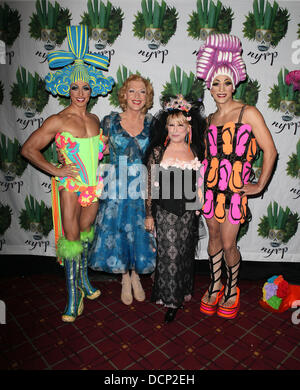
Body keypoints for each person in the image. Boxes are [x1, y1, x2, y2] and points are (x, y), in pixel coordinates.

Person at [21, 25, 114, 322]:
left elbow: (96, 153)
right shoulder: (57, 119)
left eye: (86, 87)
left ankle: (84, 281)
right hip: (70, 186)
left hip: (93, 186)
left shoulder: (96, 120)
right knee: (72, 238)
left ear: (93, 89)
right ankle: (73, 298)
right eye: (75, 87)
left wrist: (105, 149)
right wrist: (57, 169)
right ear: (66, 88)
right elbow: (28, 149)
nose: (81, 93)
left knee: (85, 235)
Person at [196, 33, 278, 319]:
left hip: (234, 191)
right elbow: (206, 159)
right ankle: (215, 283)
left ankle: (233, 287)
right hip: (210, 190)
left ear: (235, 83)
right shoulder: (208, 120)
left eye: (227, 82)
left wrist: (259, 185)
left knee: (229, 243)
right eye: (216, 83)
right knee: (213, 238)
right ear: (209, 85)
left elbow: (271, 151)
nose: (221, 88)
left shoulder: (248, 112)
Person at [88, 74, 157, 306]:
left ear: (147, 97)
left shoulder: (153, 122)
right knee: (118, 232)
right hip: (116, 186)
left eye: (142, 92)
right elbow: (97, 151)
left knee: (139, 232)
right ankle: (125, 278)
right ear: (124, 95)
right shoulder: (109, 121)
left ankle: (136, 276)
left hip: (141, 186)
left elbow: (158, 157)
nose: (137, 96)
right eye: (132, 91)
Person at [144, 95, 206, 323]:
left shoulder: (196, 150)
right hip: (166, 212)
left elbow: (199, 181)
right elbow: (150, 185)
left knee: (185, 254)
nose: (176, 129)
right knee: (169, 254)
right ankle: (170, 301)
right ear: (166, 127)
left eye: (181, 124)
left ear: (189, 126)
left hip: (189, 212)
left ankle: (183, 290)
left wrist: (198, 204)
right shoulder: (159, 151)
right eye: (172, 124)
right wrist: (149, 214)